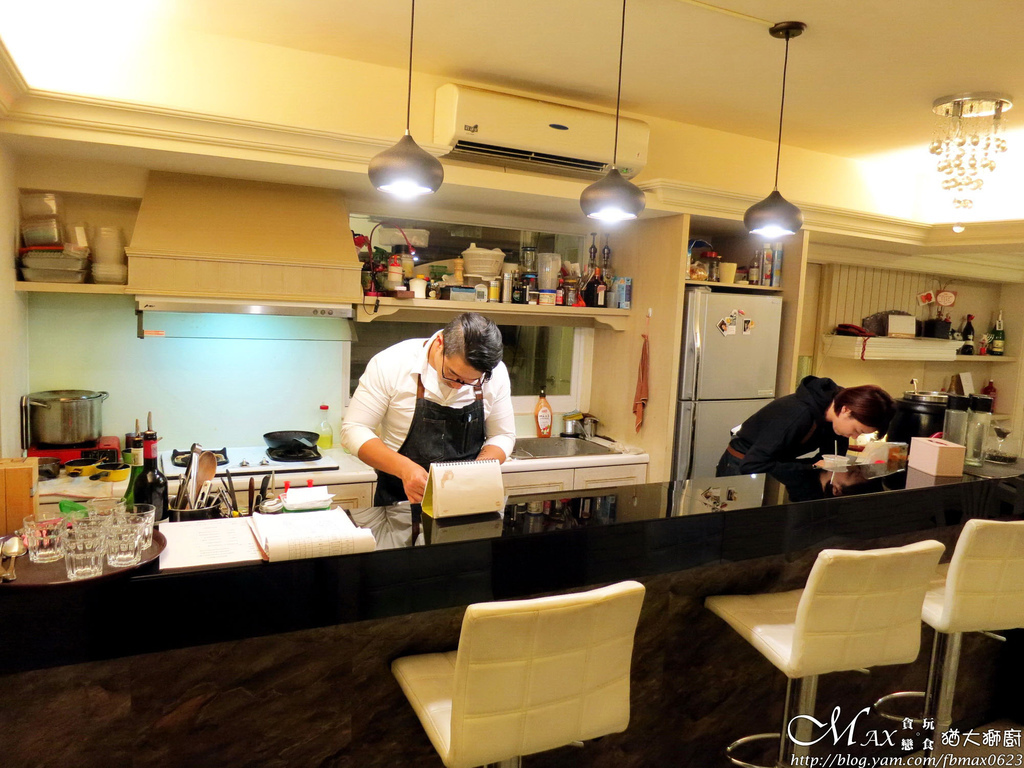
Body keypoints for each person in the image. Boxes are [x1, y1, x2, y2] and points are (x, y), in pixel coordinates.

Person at [341, 312, 515, 506]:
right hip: (400, 500)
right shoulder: (391, 364)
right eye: (452, 374)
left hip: (467, 499)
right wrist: (405, 469)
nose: (458, 386)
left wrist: (477, 469)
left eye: (472, 381)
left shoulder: (496, 373)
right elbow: (354, 429)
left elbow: (502, 435)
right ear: (440, 343)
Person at [715, 376, 895, 477]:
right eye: (857, 431)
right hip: (740, 464)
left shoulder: (837, 416)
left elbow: (833, 457)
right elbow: (752, 465)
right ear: (846, 410)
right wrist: (812, 466)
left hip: (771, 462)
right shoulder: (797, 414)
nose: (855, 437)